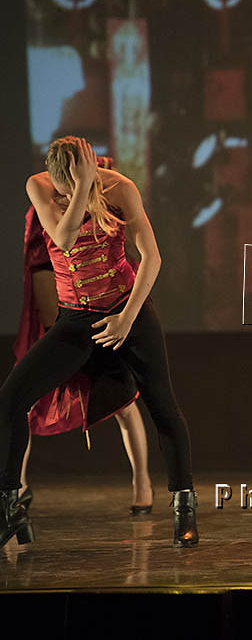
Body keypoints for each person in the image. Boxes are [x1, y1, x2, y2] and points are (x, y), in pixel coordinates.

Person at [1, 136, 198, 548]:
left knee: (163, 406)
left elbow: (152, 257)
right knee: (10, 401)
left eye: (71, 189)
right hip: (75, 317)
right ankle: (9, 508)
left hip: (126, 308)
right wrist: (78, 189)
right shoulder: (39, 185)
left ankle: (184, 508)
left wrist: (126, 319)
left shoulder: (121, 188)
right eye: (62, 190)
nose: (64, 196)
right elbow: (64, 239)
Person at [14, 156, 153, 517]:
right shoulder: (42, 195)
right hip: (65, 310)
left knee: (123, 401)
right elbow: (47, 257)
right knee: (23, 401)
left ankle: (143, 483)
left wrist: (124, 315)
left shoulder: (109, 191)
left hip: (104, 309)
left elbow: (140, 255)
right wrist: (54, 325)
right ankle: (17, 486)